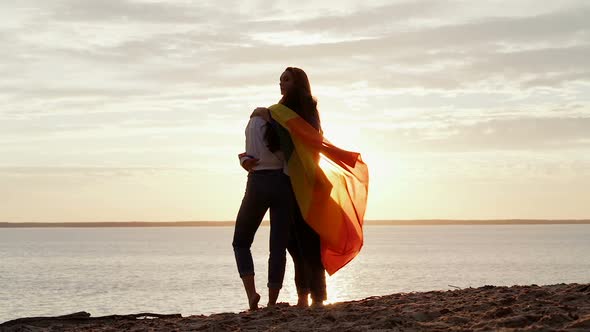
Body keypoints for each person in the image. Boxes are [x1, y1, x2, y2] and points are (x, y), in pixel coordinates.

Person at [249, 67, 327, 307]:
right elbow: (275, 145)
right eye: (280, 79)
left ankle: (317, 297)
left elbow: (305, 141)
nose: (281, 83)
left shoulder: (305, 110)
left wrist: (270, 116)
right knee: (292, 242)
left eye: (287, 80)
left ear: (299, 83)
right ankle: (303, 293)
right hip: (286, 182)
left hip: (307, 182)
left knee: (309, 240)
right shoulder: (278, 111)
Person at [232, 107, 295, 310]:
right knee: (277, 247)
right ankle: (272, 301)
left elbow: (250, 157)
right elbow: (288, 159)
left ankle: (251, 294)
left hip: (258, 182)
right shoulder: (282, 128)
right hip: (282, 183)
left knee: (241, 242)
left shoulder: (252, 124)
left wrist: (243, 160)